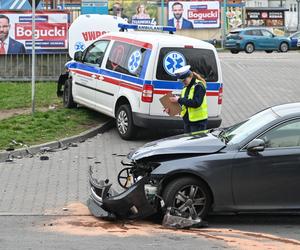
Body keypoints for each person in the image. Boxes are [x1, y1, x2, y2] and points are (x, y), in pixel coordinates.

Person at [169, 65, 208, 133]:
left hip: (198, 123)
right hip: (188, 122)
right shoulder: (186, 87)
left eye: (184, 80)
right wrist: (170, 108)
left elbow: (196, 103)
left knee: (197, 143)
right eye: (182, 81)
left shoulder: (199, 86)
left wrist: (179, 100)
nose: (183, 82)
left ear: (190, 76)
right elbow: (185, 104)